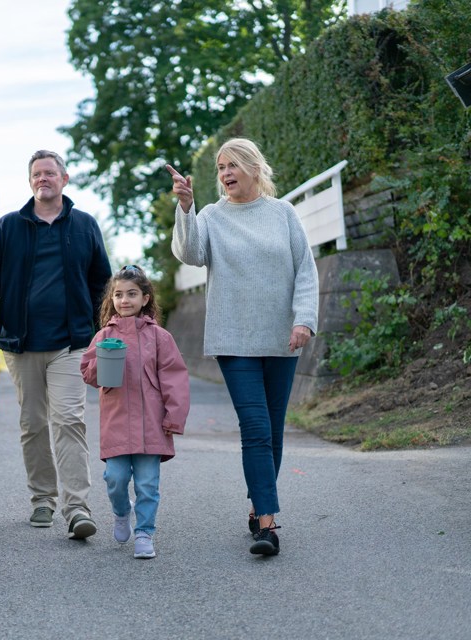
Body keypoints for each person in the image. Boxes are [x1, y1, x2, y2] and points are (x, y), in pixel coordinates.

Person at [168, 137, 319, 557]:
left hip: (281, 338)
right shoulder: (213, 216)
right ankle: (268, 526)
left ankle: (258, 506)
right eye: (219, 168)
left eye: (232, 165)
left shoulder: (283, 213)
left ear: (254, 167)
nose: (225, 173)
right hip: (235, 340)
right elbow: (190, 253)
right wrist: (186, 207)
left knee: (272, 430)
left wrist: (304, 318)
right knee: (254, 430)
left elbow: (305, 270)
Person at [0, 150, 112, 540]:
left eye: (50, 173)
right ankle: (42, 498)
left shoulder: (85, 225)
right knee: (33, 423)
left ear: (64, 179)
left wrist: (105, 330)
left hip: (71, 343)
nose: (43, 179)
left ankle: (77, 508)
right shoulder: (8, 227)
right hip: (21, 345)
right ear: (30, 181)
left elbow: (102, 283)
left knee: (69, 420)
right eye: (36, 174)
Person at [80, 265, 190, 559]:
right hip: (116, 422)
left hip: (151, 423)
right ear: (111, 299)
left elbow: (175, 378)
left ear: (145, 298)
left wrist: (173, 417)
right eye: (118, 294)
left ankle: (145, 533)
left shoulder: (160, 337)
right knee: (114, 478)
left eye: (132, 294)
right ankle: (121, 511)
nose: (124, 300)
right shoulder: (104, 336)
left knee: (147, 484)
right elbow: (88, 374)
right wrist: (101, 363)